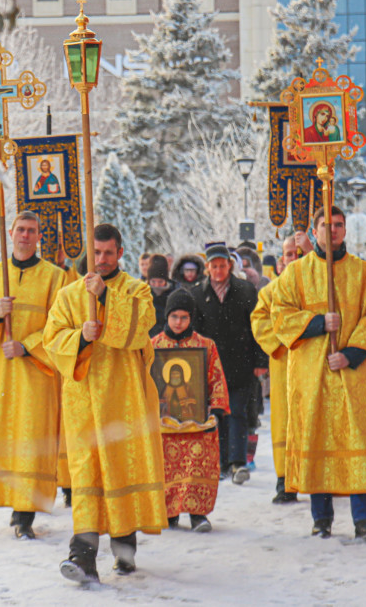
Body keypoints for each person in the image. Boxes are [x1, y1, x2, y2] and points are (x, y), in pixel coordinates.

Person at [43, 223, 166, 583]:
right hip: (83, 403)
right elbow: (52, 341)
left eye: (108, 253)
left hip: (125, 402)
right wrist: (80, 336)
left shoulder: (136, 290)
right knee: (87, 477)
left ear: (120, 254)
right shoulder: (68, 295)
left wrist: (106, 300)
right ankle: (82, 558)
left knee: (120, 472)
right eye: (96, 253)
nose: (101, 259)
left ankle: (124, 550)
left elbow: (141, 326)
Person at [270, 206, 366, 542]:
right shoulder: (295, 274)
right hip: (312, 374)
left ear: (345, 231)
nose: (333, 230)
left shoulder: (364, 273)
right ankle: (321, 517)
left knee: (356, 441)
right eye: (326, 225)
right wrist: (319, 323)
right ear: (314, 232)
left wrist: (351, 354)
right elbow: (279, 316)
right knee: (318, 437)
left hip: (350, 374)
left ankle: (363, 519)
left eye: (339, 225)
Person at [0, 211, 69, 540]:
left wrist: (26, 346)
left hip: (36, 374)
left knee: (32, 440)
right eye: (20, 229)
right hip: (1, 376)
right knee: (6, 438)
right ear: (10, 232)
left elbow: (62, 325)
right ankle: (11, 502)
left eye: (31, 231)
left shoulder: (54, 278)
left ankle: (24, 515)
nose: (25, 235)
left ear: (39, 236)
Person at [152, 289, 230, 531]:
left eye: (184, 317)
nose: (178, 322)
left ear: (191, 318)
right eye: (174, 316)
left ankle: (197, 514)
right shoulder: (153, 346)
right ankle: (169, 512)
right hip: (163, 423)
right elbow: (145, 382)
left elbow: (216, 378)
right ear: (167, 316)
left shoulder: (205, 345)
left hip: (196, 421)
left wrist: (216, 411)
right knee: (166, 468)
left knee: (197, 462)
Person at [191, 241, 265, 485]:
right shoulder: (198, 294)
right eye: (214, 266)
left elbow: (257, 327)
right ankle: (220, 462)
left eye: (223, 265)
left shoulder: (245, 290)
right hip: (211, 365)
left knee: (238, 413)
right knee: (217, 414)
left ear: (230, 266)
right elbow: (195, 332)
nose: (219, 270)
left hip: (241, 361)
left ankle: (237, 462)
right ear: (207, 268)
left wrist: (259, 360)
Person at [250, 231, 312, 504]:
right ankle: (284, 479)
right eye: (288, 254)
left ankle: (319, 476)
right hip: (284, 363)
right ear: (279, 262)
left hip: (313, 364)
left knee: (314, 419)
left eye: (298, 254)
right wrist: (280, 341)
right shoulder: (269, 291)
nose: (292, 259)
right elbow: (259, 320)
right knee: (285, 421)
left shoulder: (316, 288)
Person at [146, 254, 174, 337]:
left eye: (160, 282)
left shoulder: (174, 294)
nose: (157, 285)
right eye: (153, 282)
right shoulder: (142, 294)